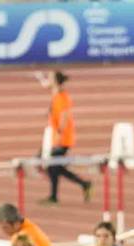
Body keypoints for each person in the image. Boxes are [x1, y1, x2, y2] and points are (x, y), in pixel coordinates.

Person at [43, 71, 91, 205]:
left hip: (63, 138)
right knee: (55, 167)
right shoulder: (57, 96)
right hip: (58, 137)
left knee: (53, 167)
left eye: (50, 78)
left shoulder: (62, 97)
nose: (48, 79)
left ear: (56, 81)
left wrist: (59, 133)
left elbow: (64, 116)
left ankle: (55, 196)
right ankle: (83, 184)